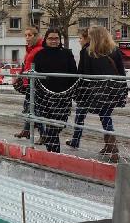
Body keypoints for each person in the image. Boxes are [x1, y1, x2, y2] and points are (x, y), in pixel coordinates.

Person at [67, 26, 125, 162]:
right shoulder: (115, 50)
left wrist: (79, 93)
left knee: (92, 116)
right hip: (112, 90)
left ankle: (112, 147)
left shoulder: (88, 52)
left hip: (94, 90)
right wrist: (122, 90)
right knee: (106, 116)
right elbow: (121, 72)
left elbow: (83, 74)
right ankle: (109, 146)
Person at [32, 29, 77, 153]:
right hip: (45, 97)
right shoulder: (40, 55)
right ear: (46, 39)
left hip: (63, 96)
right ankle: (53, 152)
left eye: (56, 38)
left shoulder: (67, 54)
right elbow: (35, 75)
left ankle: (52, 150)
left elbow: (74, 73)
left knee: (58, 125)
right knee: (52, 126)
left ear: (60, 40)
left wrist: (71, 91)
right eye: (51, 38)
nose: (54, 41)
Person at [14, 27, 44, 140]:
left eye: (30, 35)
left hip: (35, 84)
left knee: (34, 109)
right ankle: (27, 130)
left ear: (36, 36)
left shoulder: (39, 49)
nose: (27, 38)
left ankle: (43, 134)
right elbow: (25, 65)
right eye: (25, 35)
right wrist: (21, 77)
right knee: (28, 107)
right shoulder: (30, 49)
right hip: (28, 83)